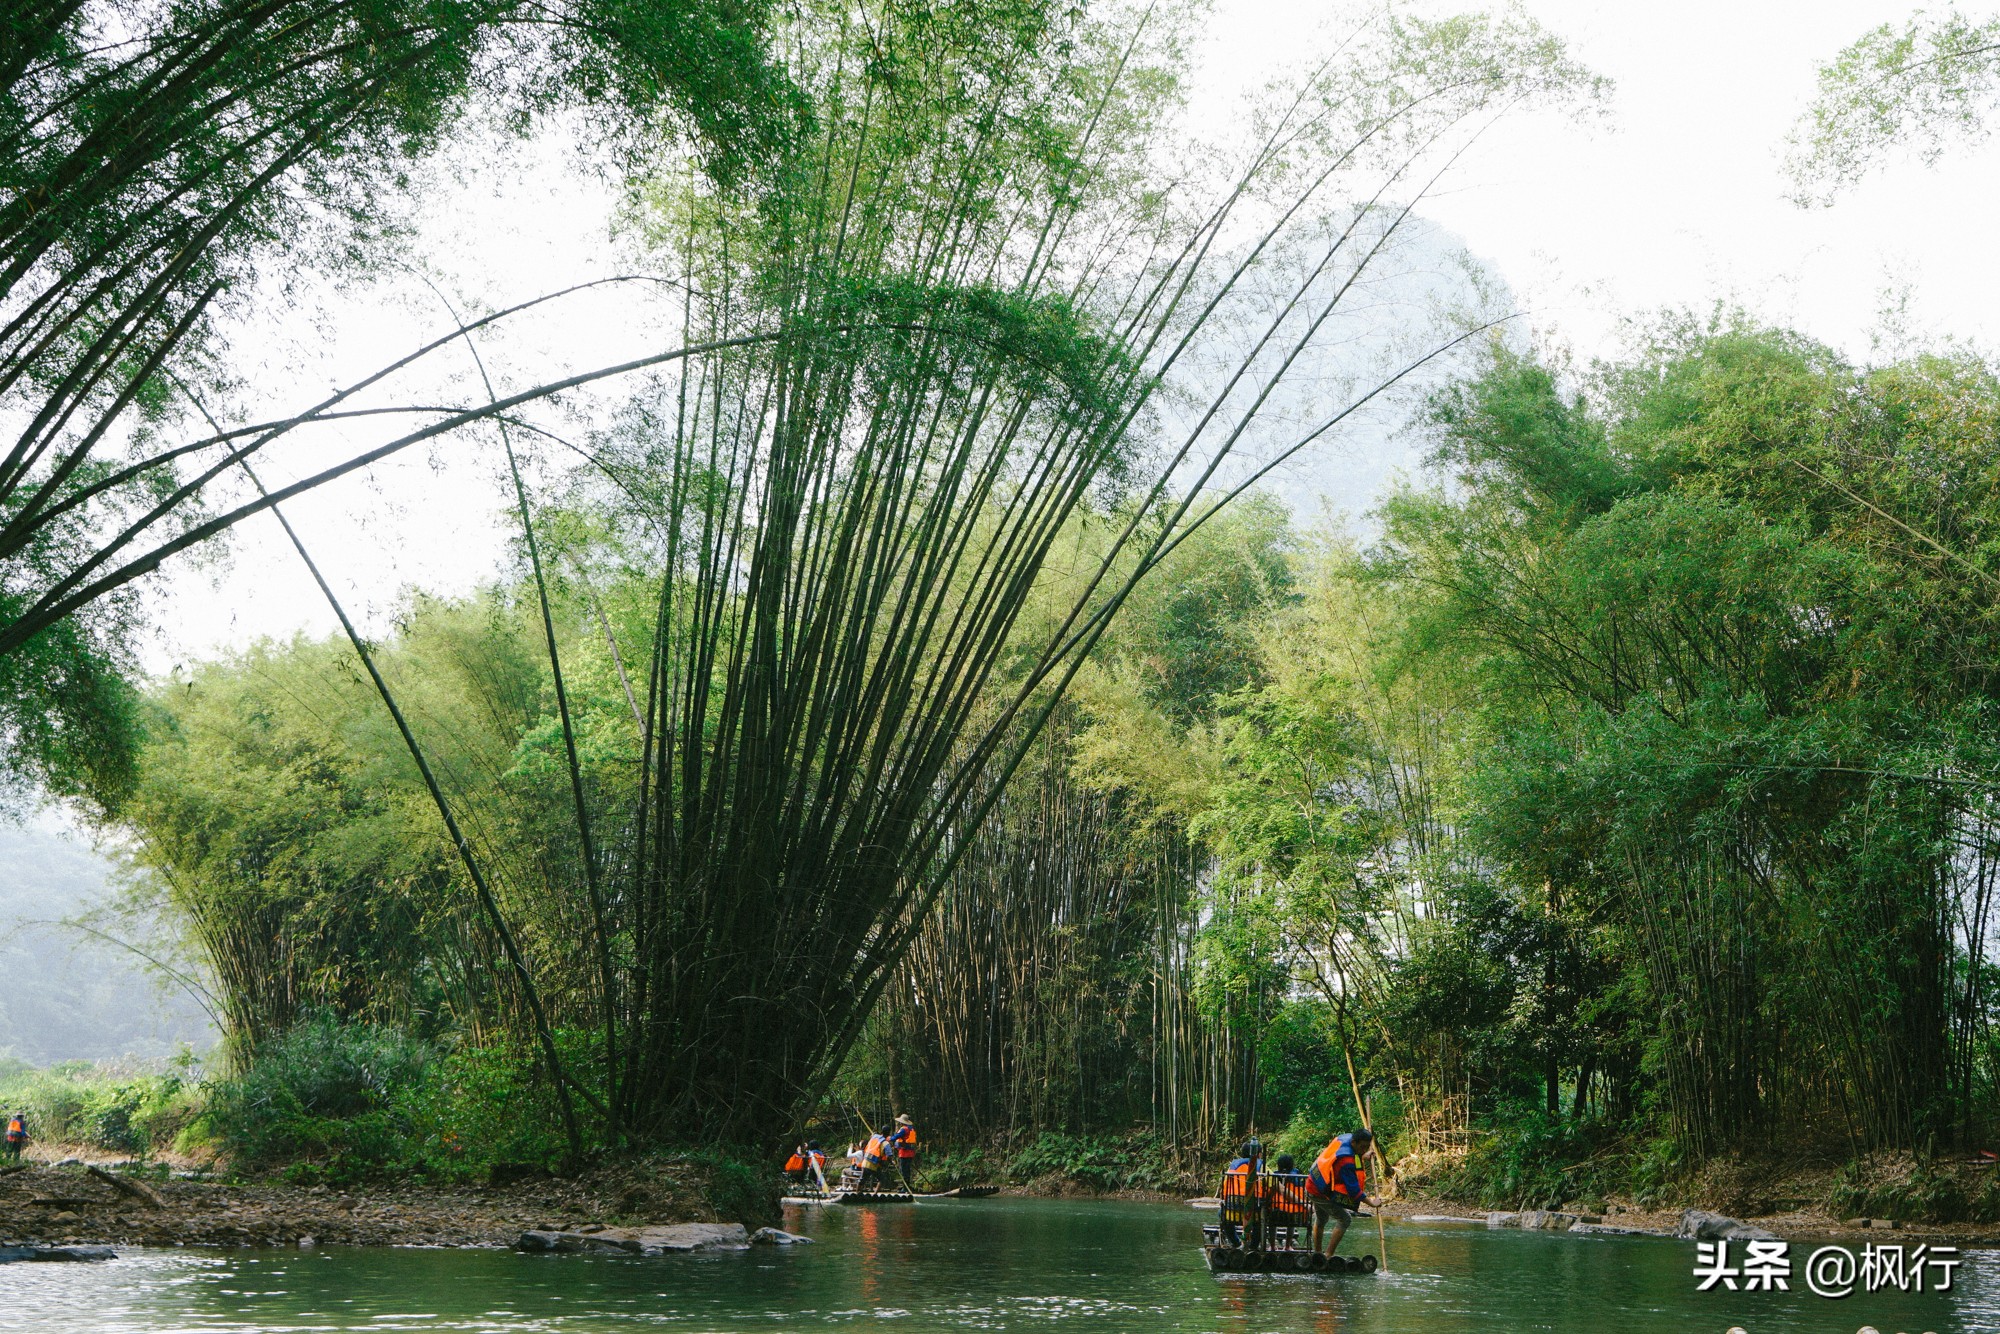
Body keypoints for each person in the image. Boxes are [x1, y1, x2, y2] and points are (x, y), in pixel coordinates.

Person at [1307, 1127, 1374, 1258]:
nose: (1364, 1150)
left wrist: (1363, 1155)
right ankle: (1328, 1255)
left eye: (1367, 1147)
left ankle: (1318, 1254)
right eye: (1362, 1147)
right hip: (1318, 1191)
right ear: (1354, 1142)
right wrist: (1371, 1202)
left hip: (1313, 1183)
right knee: (1345, 1219)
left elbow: (1355, 1154)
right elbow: (1354, 1191)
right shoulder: (1346, 1162)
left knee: (1321, 1219)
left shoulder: (1346, 1138)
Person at [1217, 1138, 1265, 1251]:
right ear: (1257, 1154)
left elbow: (1225, 1188)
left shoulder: (1233, 1167)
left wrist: (1224, 1200)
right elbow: (1272, 1186)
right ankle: (1253, 1245)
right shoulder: (1261, 1167)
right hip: (1254, 1214)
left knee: (1222, 1214)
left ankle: (1235, 1242)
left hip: (1232, 1212)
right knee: (1261, 1219)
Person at [1266, 1152, 1312, 1250]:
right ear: (1292, 1165)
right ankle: (1287, 1246)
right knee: (1291, 1220)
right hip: (1296, 1215)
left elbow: (1270, 1195)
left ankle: (1273, 1246)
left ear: (1278, 1165)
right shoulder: (1299, 1177)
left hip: (1277, 1213)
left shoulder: (1275, 1177)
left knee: (1271, 1219)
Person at [888, 1114, 918, 1184]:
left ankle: (905, 1186)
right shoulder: (911, 1129)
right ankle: (906, 1185)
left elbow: (895, 1137)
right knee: (907, 1170)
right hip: (910, 1152)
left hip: (904, 1153)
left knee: (904, 1170)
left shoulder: (904, 1129)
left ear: (902, 1122)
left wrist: (889, 1138)